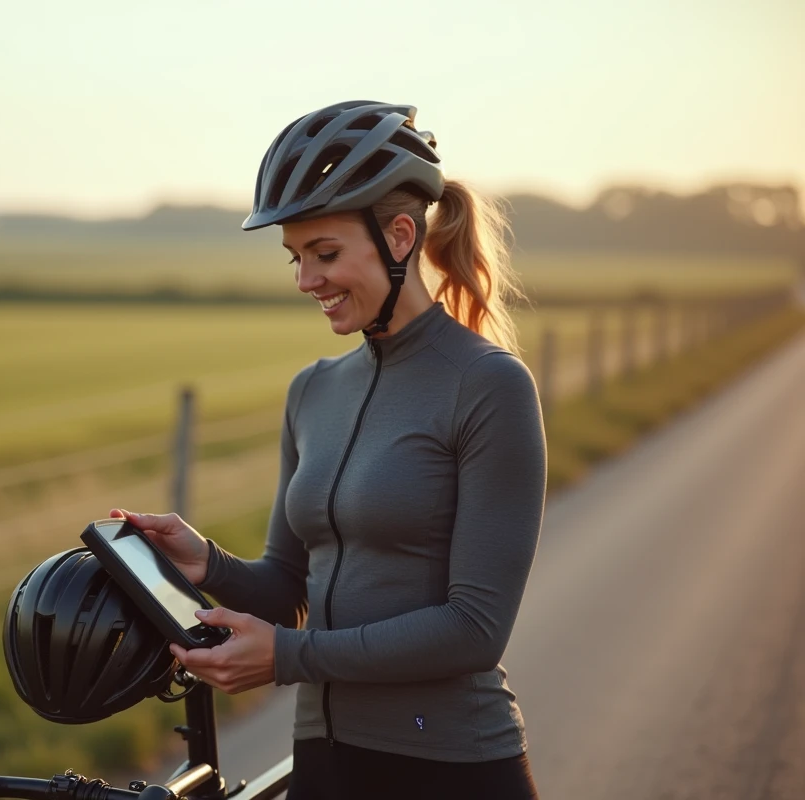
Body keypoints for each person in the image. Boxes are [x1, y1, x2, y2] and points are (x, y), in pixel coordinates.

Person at [110, 100, 546, 799]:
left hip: (454, 769)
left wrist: (288, 657)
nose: (305, 280)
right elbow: (287, 590)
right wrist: (208, 561)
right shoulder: (312, 391)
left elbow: (475, 629)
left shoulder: (488, 385)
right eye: (296, 257)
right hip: (324, 766)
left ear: (400, 236)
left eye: (326, 253)